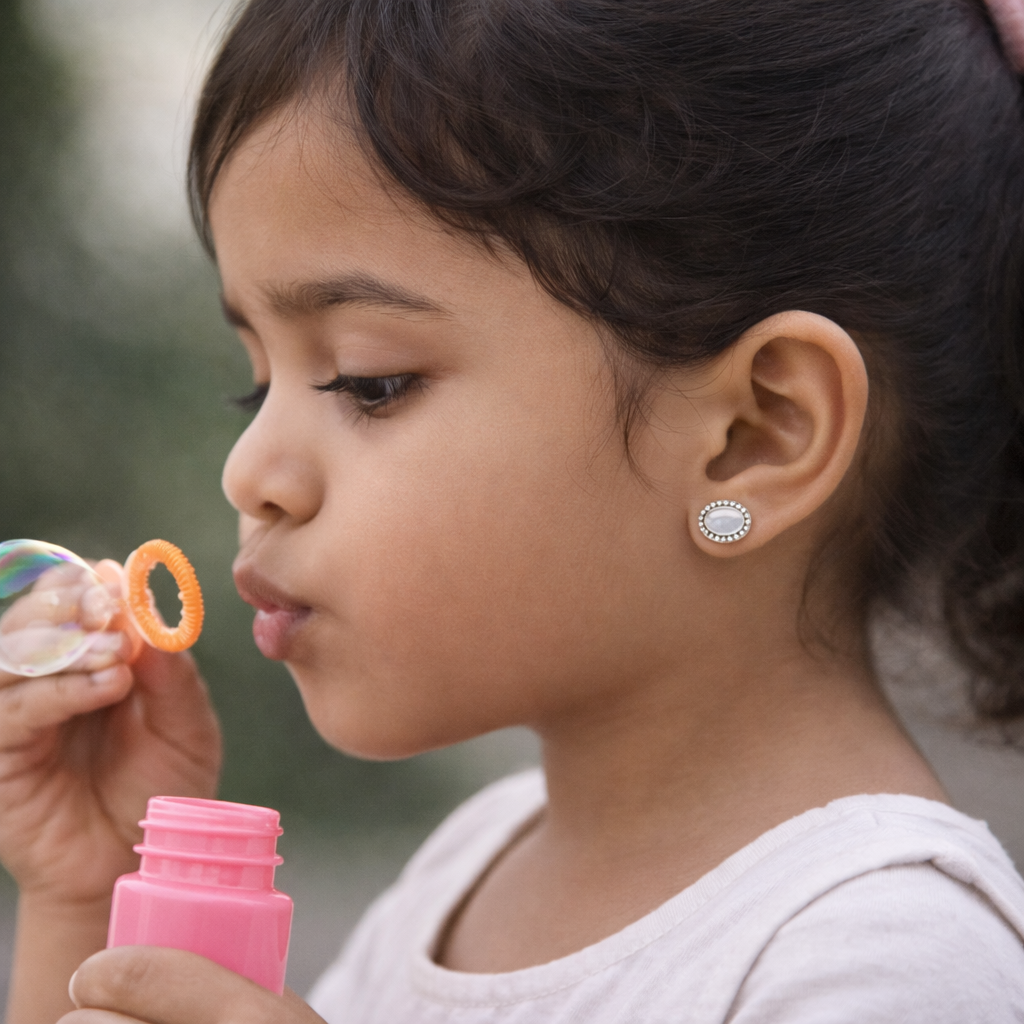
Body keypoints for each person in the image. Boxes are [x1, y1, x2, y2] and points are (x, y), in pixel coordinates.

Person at [5, 0, 1024, 1020]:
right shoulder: (468, 870)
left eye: (370, 381)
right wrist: (98, 898)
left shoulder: (892, 957)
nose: (249, 469)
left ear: (752, 436)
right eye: (254, 383)